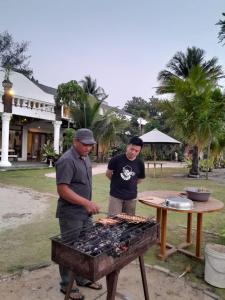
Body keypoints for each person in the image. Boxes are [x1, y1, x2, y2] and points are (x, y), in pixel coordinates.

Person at [55, 128, 102, 300]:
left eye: (90, 145)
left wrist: (87, 204)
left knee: (85, 246)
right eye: (85, 144)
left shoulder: (85, 157)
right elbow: (63, 190)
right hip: (70, 214)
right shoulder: (67, 160)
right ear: (75, 141)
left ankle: (82, 278)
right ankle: (67, 285)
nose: (88, 148)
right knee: (69, 249)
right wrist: (86, 203)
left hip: (84, 213)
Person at [106, 136, 145, 216]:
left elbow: (140, 179)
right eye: (132, 149)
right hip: (115, 196)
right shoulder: (116, 159)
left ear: (139, 151)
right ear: (127, 146)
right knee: (113, 221)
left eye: (136, 151)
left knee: (129, 222)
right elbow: (108, 174)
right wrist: (117, 182)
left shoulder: (140, 163)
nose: (133, 152)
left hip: (131, 197)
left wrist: (130, 183)